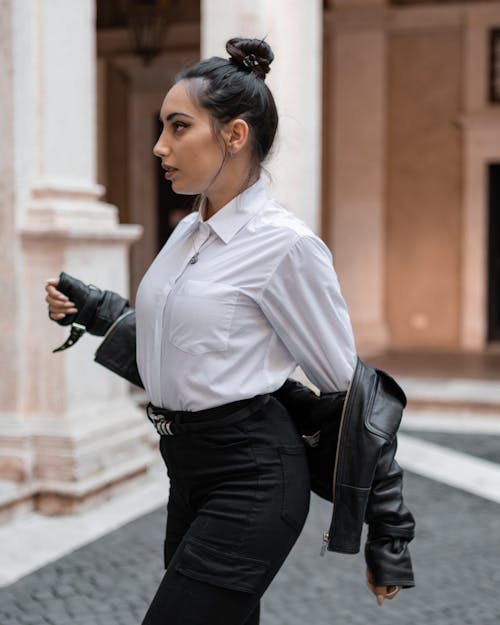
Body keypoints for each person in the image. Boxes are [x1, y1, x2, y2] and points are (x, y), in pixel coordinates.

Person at [45, 37, 412, 625]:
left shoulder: (285, 245)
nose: (159, 146)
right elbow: (184, 354)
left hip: (253, 480)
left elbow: (354, 395)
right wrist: (95, 311)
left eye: (178, 127)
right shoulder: (185, 234)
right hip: (187, 474)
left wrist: (389, 530)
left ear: (234, 135)